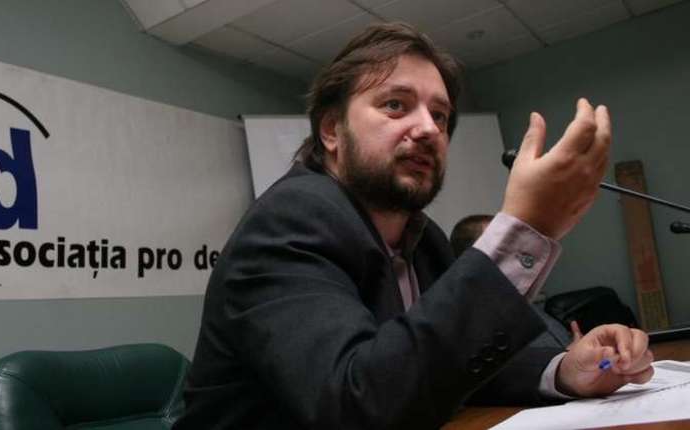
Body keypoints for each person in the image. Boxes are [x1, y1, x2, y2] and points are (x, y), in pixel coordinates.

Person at [173, 22, 653, 430]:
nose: (428, 129)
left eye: (440, 115)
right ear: (332, 131)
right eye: (395, 105)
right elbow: (355, 404)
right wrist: (526, 228)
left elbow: (445, 360)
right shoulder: (289, 220)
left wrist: (565, 370)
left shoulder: (424, 239)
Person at [449, 214, 573, 348]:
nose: (521, 256)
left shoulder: (518, 299)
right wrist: (567, 357)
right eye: (506, 247)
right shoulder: (470, 325)